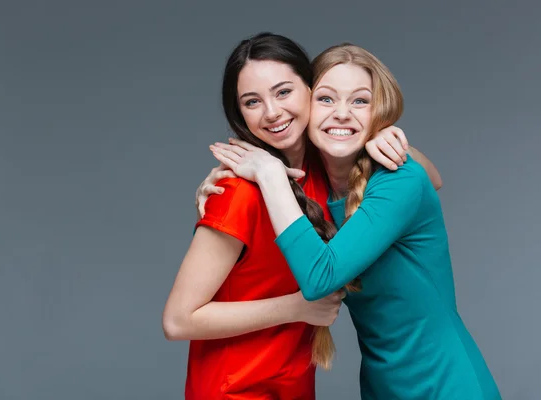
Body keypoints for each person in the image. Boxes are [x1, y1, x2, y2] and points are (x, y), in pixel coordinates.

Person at [209, 42, 501, 399]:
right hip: (383, 387)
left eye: (360, 101)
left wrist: (270, 174)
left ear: (379, 110)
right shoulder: (312, 187)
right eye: (327, 99)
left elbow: (320, 279)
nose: (342, 113)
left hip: (446, 385)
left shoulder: (397, 179)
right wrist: (221, 181)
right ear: (306, 106)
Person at [163, 33, 440, 399]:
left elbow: (431, 181)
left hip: (293, 384)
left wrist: (381, 136)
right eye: (252, 102)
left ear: (313, 90)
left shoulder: (325, 170)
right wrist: (296, 308)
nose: (272, 113)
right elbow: (178, 320)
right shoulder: (238, 192)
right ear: (240, 114)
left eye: (283, 92)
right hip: (235, 389)